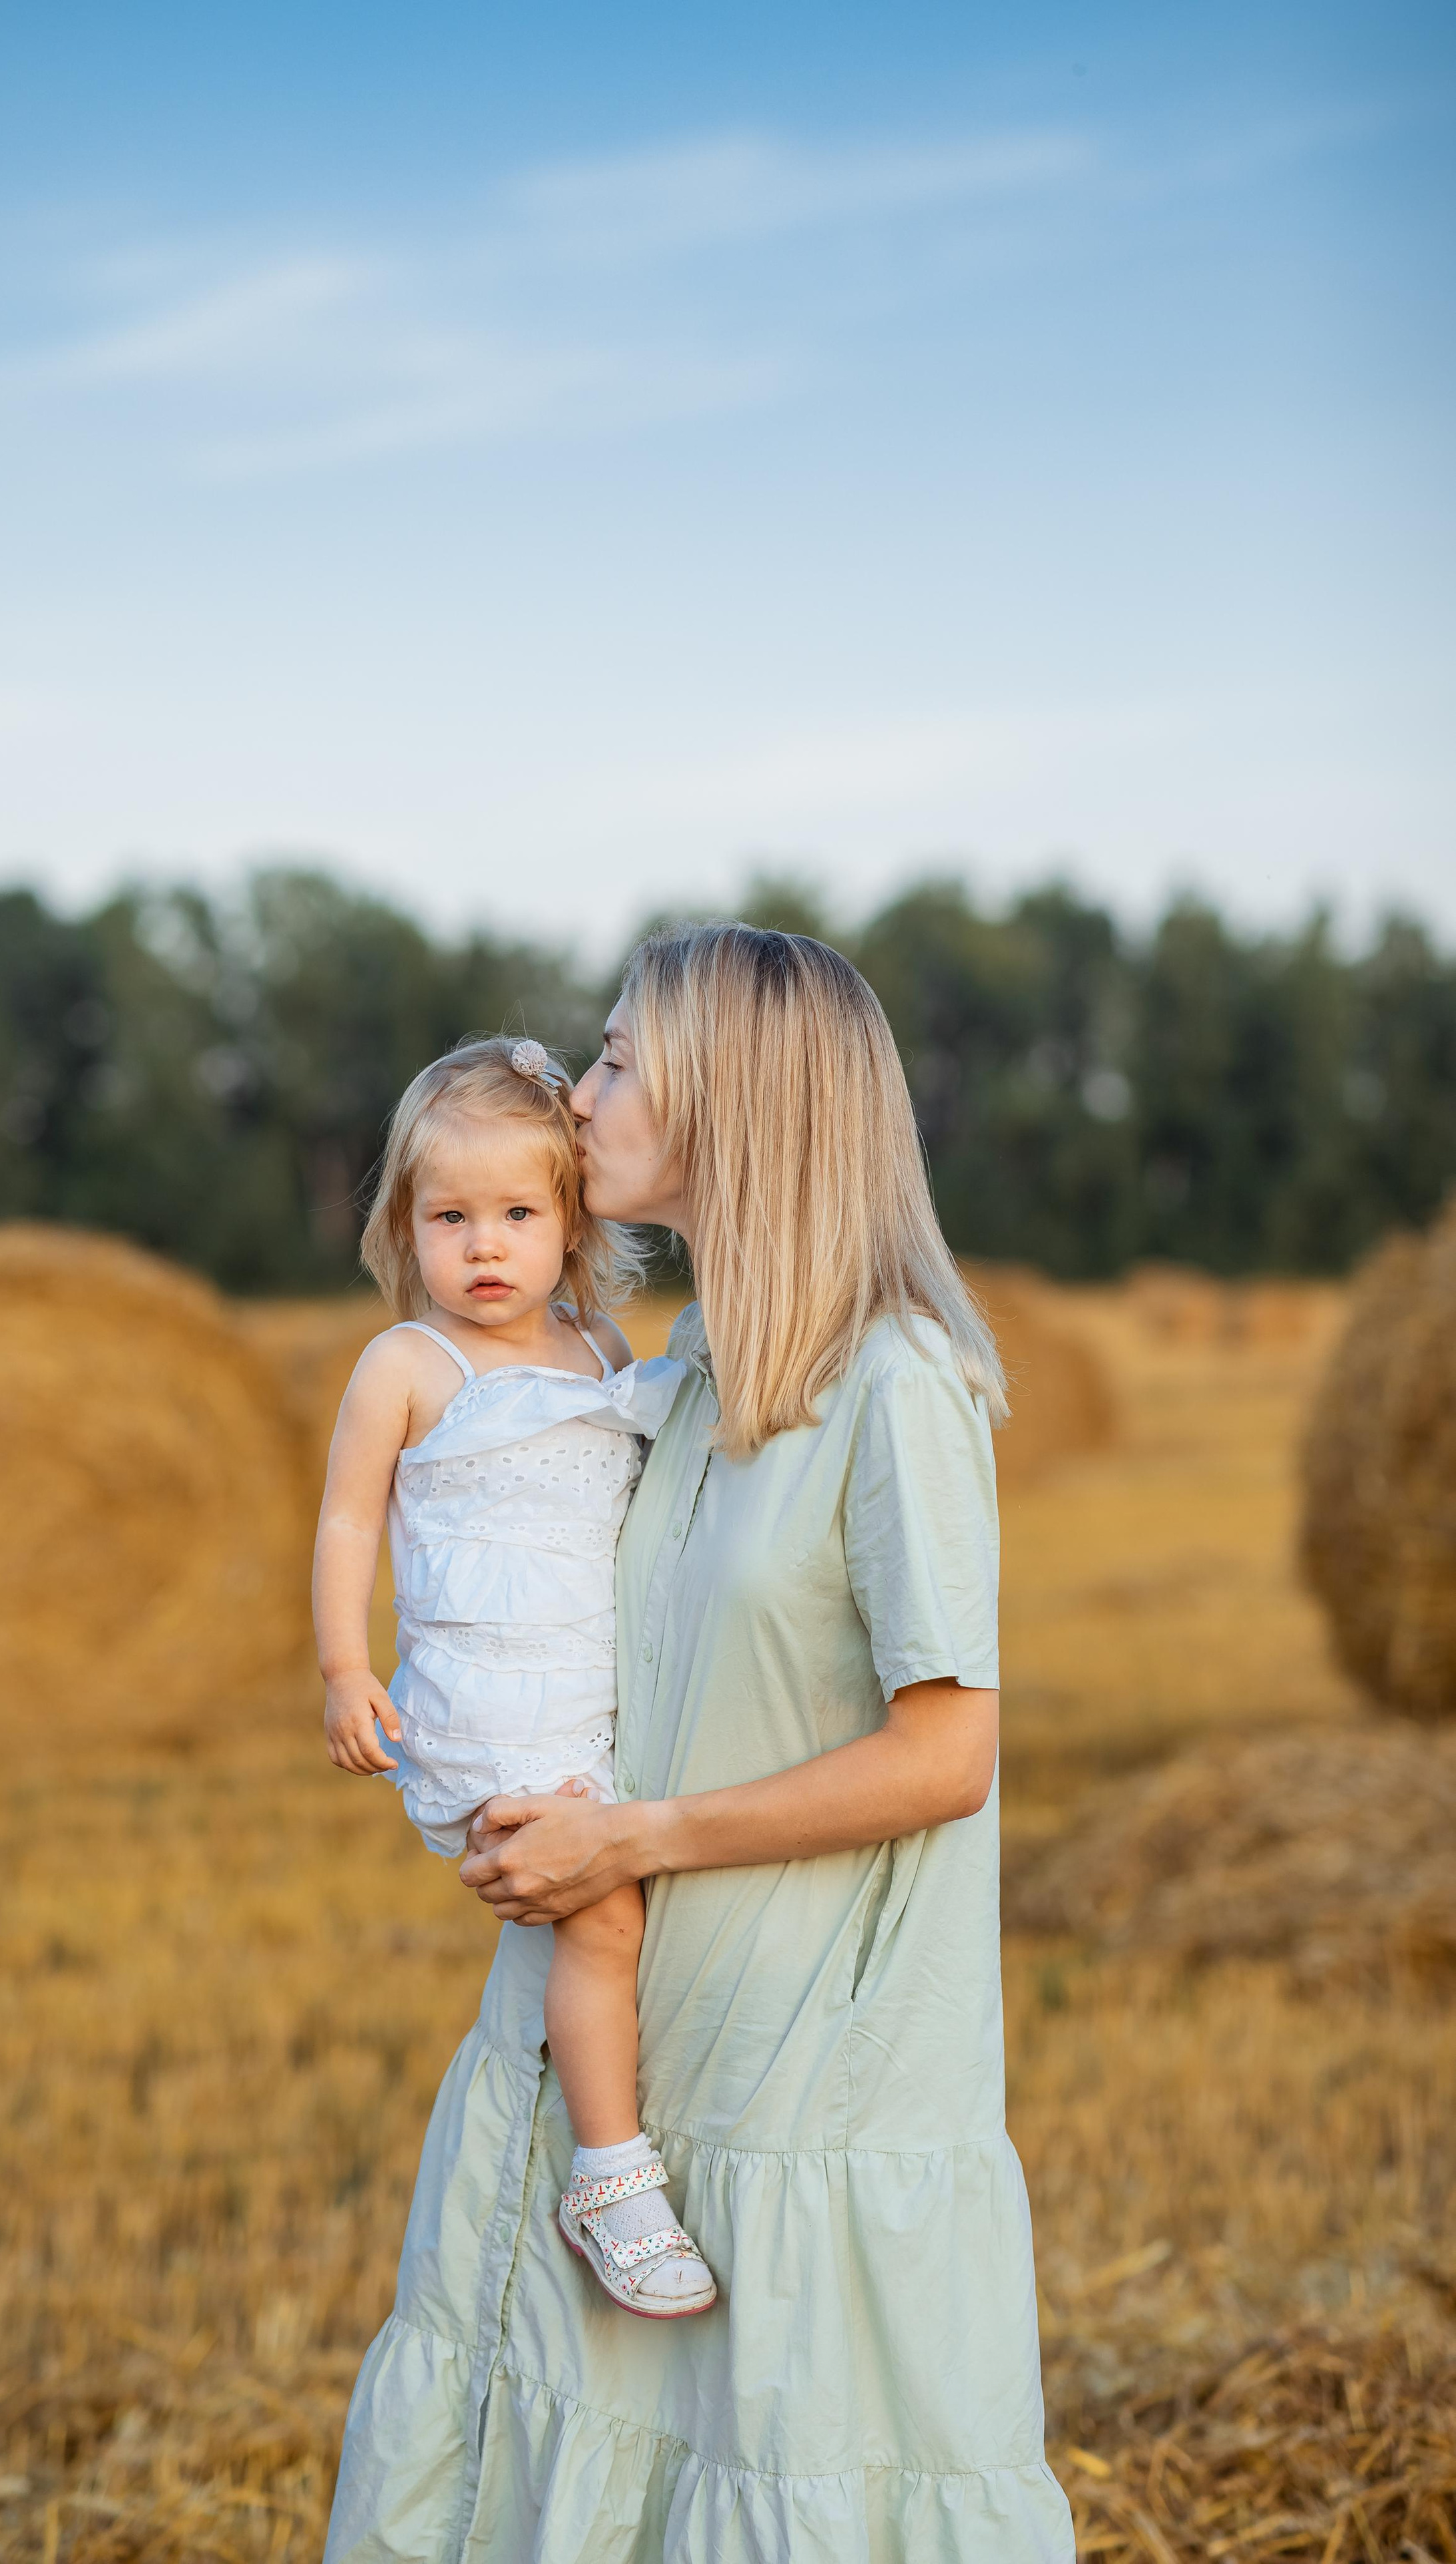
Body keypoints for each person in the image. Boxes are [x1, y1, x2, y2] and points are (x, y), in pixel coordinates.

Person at [324, 929, 1076, 2563]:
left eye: (612, 1062)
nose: (574, 1098)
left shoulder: (896, 1383)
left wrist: (631, 1841)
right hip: (626, 2052)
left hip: (805, 2070)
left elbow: (944, 1758)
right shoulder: (674, 1376)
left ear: (730, 1100)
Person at [313, 1034, 718, 2318]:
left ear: (571, 1222)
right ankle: (611, 2180)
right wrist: (344, 1666)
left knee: (648, 1912)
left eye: (517, 1215)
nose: (484, 1247)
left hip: (598, 1684)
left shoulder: (600, 1348)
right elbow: (348, 1521)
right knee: (600, 1915)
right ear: (405, 1227)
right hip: (491, 1701)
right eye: (450, 1219)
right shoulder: (407, 1365)